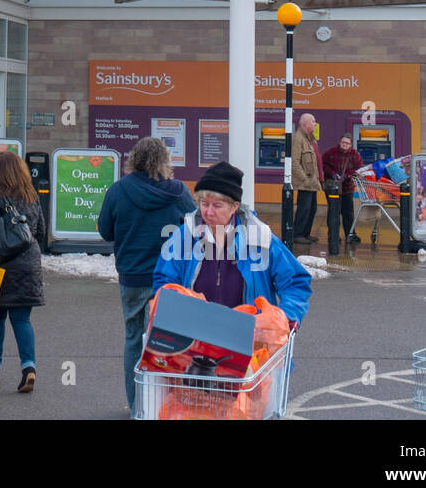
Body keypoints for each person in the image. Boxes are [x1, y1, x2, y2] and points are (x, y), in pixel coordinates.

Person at [98, 136, 195, 413]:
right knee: (171, 343)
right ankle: (166, 405)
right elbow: (195, 231)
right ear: (165, 160)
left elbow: (105, 231)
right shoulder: (179, 192)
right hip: (169, 281)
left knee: (133, 339)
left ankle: (137, 405)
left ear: (134, 159)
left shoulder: (118, 191)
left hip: (132, 277)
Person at [154, 161, 311, 325]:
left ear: (234, 206)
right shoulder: (185, 235)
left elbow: (295, 281)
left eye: (217, 205)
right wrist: (172, 308)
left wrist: (288, 316)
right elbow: (165, 279)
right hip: (195, 336)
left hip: (249, 337)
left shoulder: (259, 238)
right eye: (204, 204)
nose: (208, 212)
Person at [0, 151, 47, 392]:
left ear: (3, 170)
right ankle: (29, 368)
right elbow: (39, 233)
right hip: (28, 265)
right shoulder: (31, 194)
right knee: (22, 319)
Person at [322, 133, 364, 244]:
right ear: (339, 142)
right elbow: (322, 164)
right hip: (333, 187)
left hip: (348, 188)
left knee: (348, 213)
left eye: (347, 143)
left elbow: (358, 169)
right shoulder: (331, 152)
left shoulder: (355, 155)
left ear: (351, 145)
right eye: (343, 142)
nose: (344, 145)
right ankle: (333, 236)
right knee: (333, 212)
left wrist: (347, 176)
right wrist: (332, 173)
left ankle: (350, 235)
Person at [292, 113, 323, 244]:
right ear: (305, 124)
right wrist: (305, 179)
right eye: (313, 121)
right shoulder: (298, 139)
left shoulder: (310, 138)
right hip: (305, 183)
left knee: (312, 208)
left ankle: (306, 233)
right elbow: (294, 162)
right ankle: (298, 234)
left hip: (312, 182)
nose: (315, 124)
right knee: (304, 208)